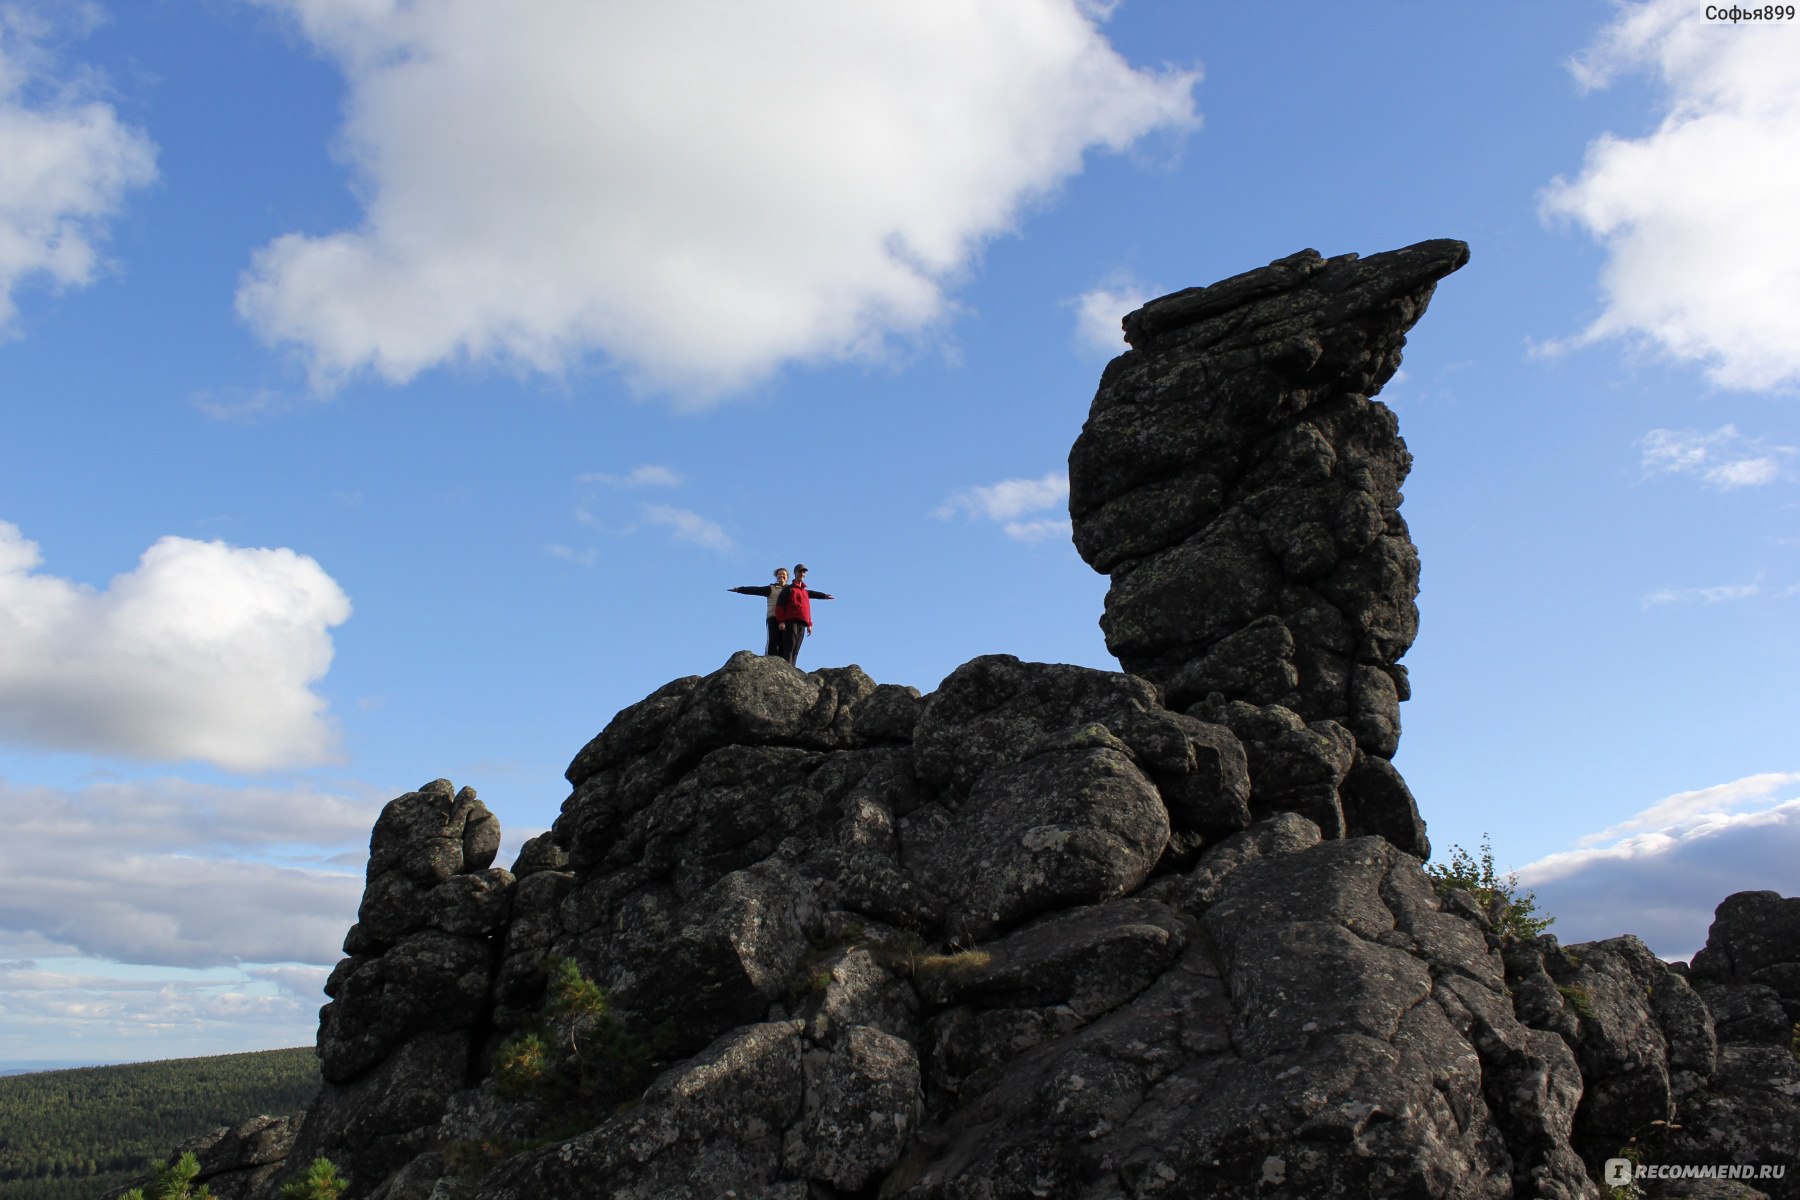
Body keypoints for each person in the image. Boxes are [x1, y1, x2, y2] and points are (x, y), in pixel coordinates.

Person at [771, 563, 834, 666]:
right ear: (795, 573)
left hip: (803, 622)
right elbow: (780, 606)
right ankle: (786, 667)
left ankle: (792, 669)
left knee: (796, 648)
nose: (802, 574)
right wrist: (781, 621)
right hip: (791, 620)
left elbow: (807, 608)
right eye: (800, 571)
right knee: (790, 645)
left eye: (803, 572)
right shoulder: (789, 589)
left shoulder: (804, 591)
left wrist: (809, 624)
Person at [728, 567, 792, 656]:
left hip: (787, 619)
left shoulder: (791, 590)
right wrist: (739, 589)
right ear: (776, 576)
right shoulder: (771, 588)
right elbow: (755, 590)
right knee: (773, 640)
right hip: (773, 617)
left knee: (784, 642)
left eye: (783, 574)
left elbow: (804, 595)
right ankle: (770, 660)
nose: (781, 575)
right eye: (779, 574)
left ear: (787, 577)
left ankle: (783, 663)